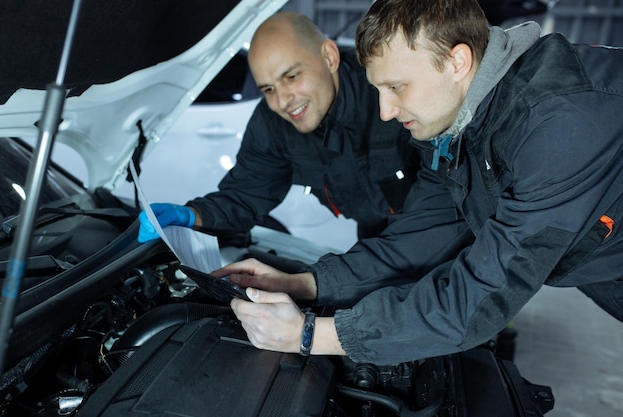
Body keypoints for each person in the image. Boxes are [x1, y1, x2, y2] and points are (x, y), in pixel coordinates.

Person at [216, 0, 623, 365]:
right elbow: (421, 236)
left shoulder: (556, 123)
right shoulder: (455, 130)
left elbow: (479, 297)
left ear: (457, 62)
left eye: (395, 88)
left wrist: (310, 335)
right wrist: (303, 283)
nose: (386, 111)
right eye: (378, 90)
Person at [137, 11, 418, 245]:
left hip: (445, 236)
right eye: (268, 89)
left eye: (292, 76)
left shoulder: (388, 94)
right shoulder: (273, 124)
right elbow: (246, 194)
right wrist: (191, 215)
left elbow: (443, 197)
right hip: (376, 242)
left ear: (329, 57)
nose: (283, 101)